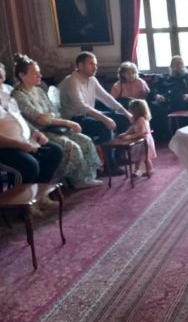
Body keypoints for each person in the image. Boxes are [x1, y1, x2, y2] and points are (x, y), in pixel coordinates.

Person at [11, 54, 102, 189]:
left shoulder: (39, 91)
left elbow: (52, 112)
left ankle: (85, 177)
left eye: (39, 72)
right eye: (35, 73)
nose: (40, 76)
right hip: (38, 133)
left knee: (86, 141)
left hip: (54, 127)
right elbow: (40, 120)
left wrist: (49, 117)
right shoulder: (18, 95)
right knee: (72, 147)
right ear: (22, 75)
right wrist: (66, 122)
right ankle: (64, 180)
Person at [59, 51, 132, 173]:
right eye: (91, 64)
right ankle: (108, 165)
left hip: (88, 114)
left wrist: (126, 112)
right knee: (105, 126)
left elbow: (107, 98)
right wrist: (105, 119)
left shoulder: (92, 80)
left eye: (96, 64)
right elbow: (81, 107)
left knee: (123, 120)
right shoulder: (72, 81)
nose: (95, 67)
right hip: (74, 119)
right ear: (80, 66)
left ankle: (116, 157)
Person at [0, 85, 64, 216]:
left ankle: (40, 197)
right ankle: (23, 206)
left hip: (22, 141)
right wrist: (19, 144)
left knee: (54, 151)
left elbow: (18, 117)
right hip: (5, 147)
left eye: (2, 76)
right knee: (29, 165)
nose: (1, 78)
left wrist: (35, 132)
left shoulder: (6, 92)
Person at [150, 55, 188, 139]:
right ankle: (163, 136)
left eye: (180, 63)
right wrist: (157, 95)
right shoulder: (163, 78)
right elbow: (154, 89)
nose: (179, 66)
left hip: (185, 102)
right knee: (154, 106)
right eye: (176, 64)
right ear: (171, 66)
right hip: (166, 102)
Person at [118, 99, 156, 178]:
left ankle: (150, 169)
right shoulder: (136, 120)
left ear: (136, 111)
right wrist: (126, 133)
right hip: (139, 141)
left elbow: (142, 132)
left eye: (131, 109)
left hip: (144, 141)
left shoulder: (141, 119)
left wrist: (130, 137)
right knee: (136, 158)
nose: (129, 110)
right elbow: (132, 128)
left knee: (146, 158)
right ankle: (137, 170)